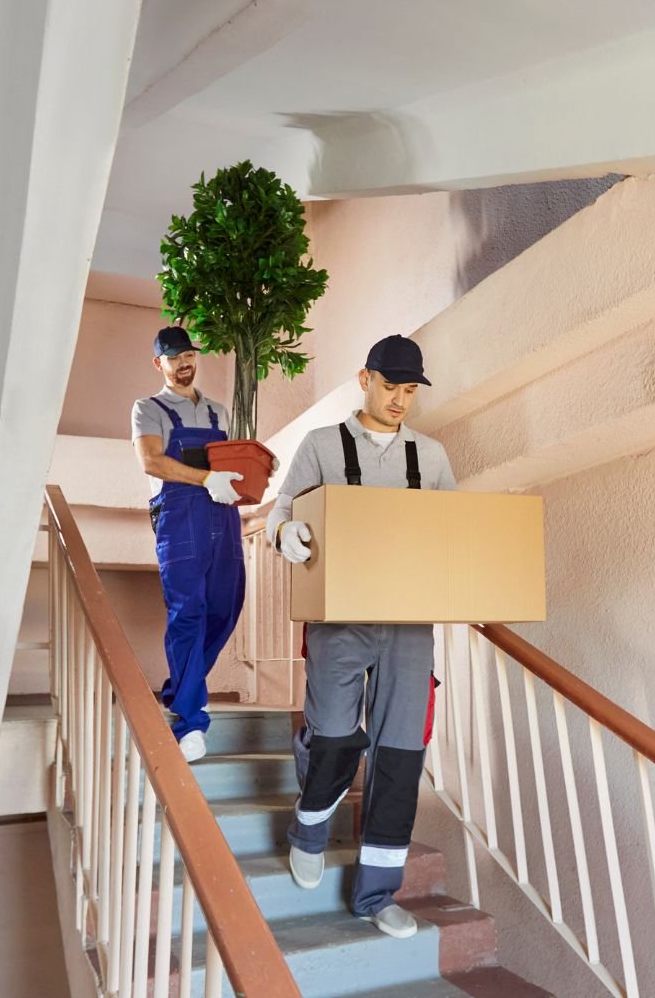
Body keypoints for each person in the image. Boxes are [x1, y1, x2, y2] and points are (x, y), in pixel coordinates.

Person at [265, 334, 458, 940]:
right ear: (364, 379)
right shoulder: (322, 445)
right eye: (390, 385)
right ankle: (310, 826)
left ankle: (377, 894)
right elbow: (280, 511)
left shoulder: (431, 457)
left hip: (409, 624)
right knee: (334, 735)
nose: (399, 399)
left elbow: (453, 531)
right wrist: (284, 534)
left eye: (410, 390)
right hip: (339, 618)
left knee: (399, 754)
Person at [132, 326, 247, 762]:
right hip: (181, 518)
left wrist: (255, 471)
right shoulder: (148, 408)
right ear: (159, 363)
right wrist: (206, 478)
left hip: (223, 513)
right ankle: (191, 719)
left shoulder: (219, 412)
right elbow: (152, 461)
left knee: (226, 605)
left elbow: (233, 464)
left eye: (188, 355)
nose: (184, 363)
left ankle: (182, 687)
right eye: (174, 357)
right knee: (188, 612)